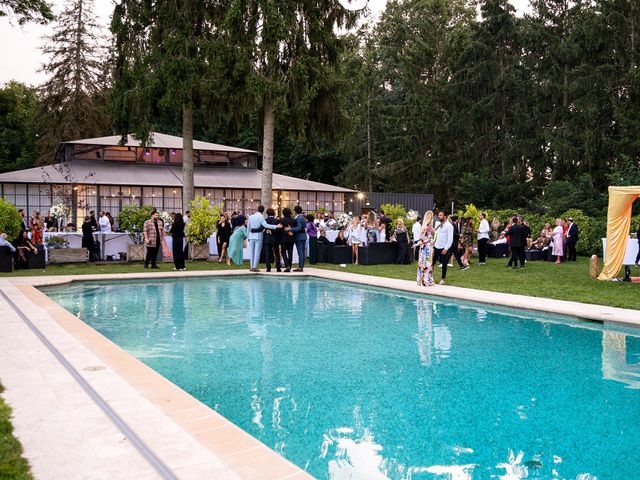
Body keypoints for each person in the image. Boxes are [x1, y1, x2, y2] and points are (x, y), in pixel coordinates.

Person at [247, 205, 280, 272]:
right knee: (257, 252)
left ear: (257, 209)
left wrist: (248, 236)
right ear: (263, 211)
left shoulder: (250, 217)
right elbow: (265, 225)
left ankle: (251, 267)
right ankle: (255, 267)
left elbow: (248, 228)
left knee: (251, 252)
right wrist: (276, 226)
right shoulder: (261, 217)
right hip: (258, 236)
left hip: (251, 236)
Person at [432, 211, 454, 285]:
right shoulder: (437, 224)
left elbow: (450, 239)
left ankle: (443, 279)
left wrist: (446, 248)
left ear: (445, 216)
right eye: (439, 215)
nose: (439, 216)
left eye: (441, 215)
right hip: (436, 246)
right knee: (432, 262)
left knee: (444, 264)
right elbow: (436, 234)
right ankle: (430, 276)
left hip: (444, 247)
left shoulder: (449, 226)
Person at [417, 211, 435, 287]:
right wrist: (430, 240)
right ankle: (426, 280)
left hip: (424, 248)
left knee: (423, 263)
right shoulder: (427, 227)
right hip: (427, 248)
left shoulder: (425, 226)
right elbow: (422, 238)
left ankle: (422, 280)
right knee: (427, 264)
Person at [263, 208, 282, 272]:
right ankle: (278, 267)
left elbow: (263, 229)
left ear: (267, 214)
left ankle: (268, 268)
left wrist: (269, 231)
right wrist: (272, 231)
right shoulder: (276, 220)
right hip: (275, 239)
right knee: (276, 253)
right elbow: (279, 229)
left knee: (267, 254)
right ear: (274, 213)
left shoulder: (265, 220)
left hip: (267, 239)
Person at [291, 205, 307, 272]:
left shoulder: (298, 218)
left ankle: (300, 267)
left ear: (295, 211)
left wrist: (291, 229)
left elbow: (298, 228)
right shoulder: (303, 217)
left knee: (300, 252)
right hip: (303, 236)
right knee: (302, 252)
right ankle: (301, 266)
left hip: (299, 236)